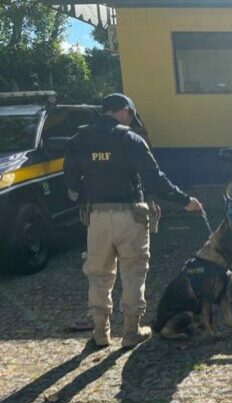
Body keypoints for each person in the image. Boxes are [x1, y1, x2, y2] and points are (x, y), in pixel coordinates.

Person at [65, 93, 204, 348]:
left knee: (98, 275)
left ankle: (100, 333)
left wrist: (89, 197)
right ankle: (131, 332)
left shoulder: (78, 140)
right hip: (131, 216)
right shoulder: (131, 139)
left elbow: (72, 182)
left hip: (96, 217)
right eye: (131, 115)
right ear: (125, 111)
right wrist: (185, 200)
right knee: (133, 273)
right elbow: (154, 178)